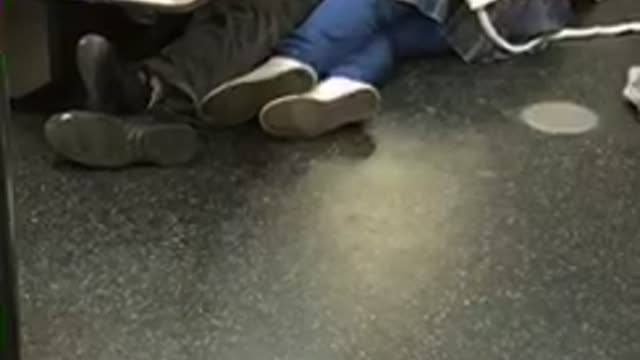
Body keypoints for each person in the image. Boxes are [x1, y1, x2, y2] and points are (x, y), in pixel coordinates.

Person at [45, 0, 577, 168]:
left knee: (342, 8)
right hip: (487, 21)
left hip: (493, 14)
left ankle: (155, 94)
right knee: (377, 33)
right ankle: (154, 110)